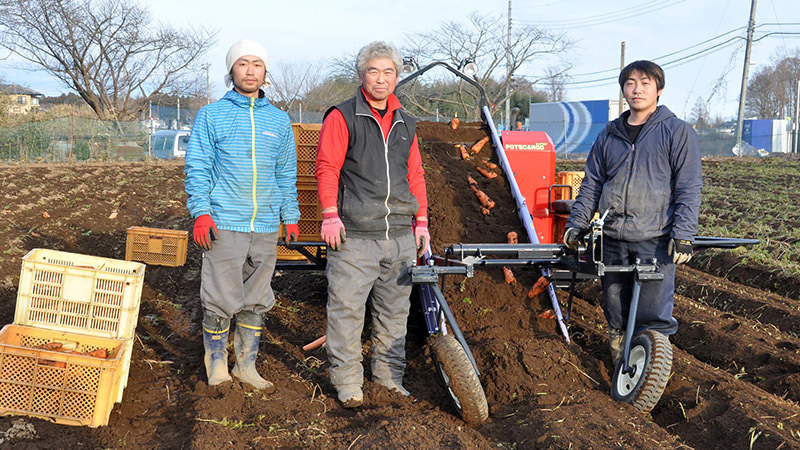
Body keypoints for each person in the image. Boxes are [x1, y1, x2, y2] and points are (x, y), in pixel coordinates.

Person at [563, 60, 702, 365]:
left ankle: (650, 370)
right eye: (630, 83)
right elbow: (592, 184)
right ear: (623, 90)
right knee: (616, 309)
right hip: (612, 238)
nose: (637, 89)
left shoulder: (676, 133)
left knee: (653, 313)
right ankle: (620, 365)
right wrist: (576, 223)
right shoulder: (609, 135)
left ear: (659, 90)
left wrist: (683, 235)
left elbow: (689, 187)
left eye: (645, 83)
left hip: (654, 239)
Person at [315, 41, 429, 408]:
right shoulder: (343, 116)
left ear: (397, 77)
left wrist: (421, 222)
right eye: (374, 72)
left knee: (394, 314)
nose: (381, 79)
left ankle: (388, 378)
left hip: (399, 237)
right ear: (362, 75)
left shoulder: (405, 123)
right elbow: (327, 167)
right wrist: (330, 215)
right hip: (355, 236)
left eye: (388, 72)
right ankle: (348, 382)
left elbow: (416, 175)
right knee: (347, 311)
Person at [185, 38, 301, 391]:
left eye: (257, 64)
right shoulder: (211, 115)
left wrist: (290, 214)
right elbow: (198, 166)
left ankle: (246, 365)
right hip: (224, 223)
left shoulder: (279, 121)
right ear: (231, 70)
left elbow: (285, 172)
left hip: (264, 225)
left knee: (256, 297)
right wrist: (201, 212)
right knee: (220, 297)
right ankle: (216, 362)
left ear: (266, 73)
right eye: (242, 64)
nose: (250, 70)